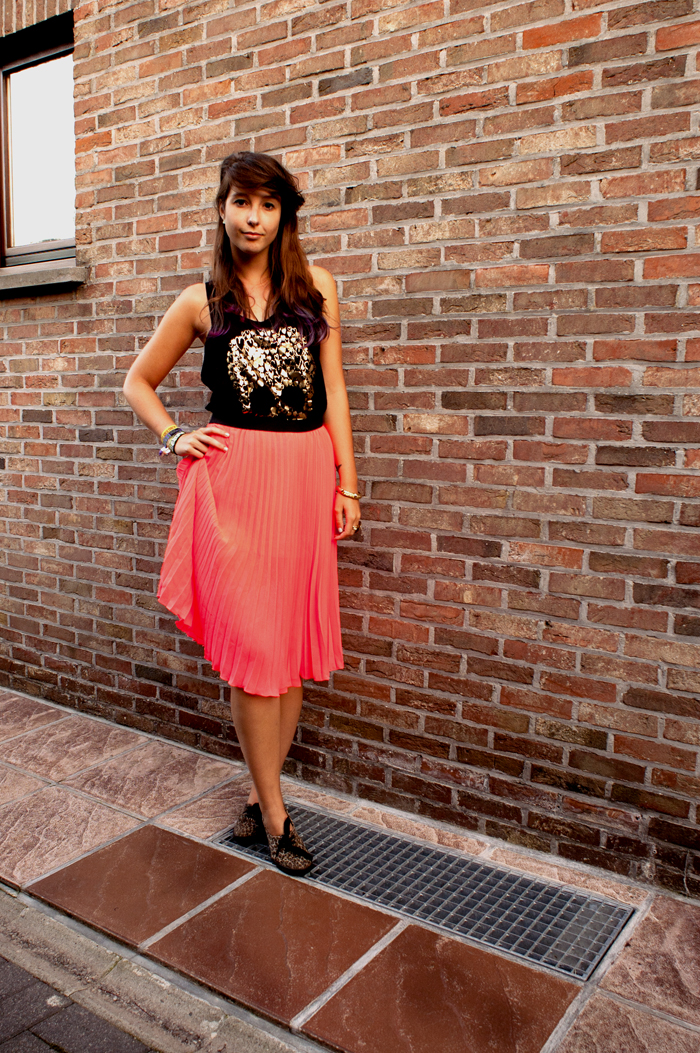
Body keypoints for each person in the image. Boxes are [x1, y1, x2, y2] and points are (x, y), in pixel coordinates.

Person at [123, 151, 360, 876]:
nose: (253, 217)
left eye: (267, 204)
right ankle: (278, 815)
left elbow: (334, 390)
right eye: (241, 202)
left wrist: (348, 484)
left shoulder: (317, 287)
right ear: (222, 209)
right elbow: (138, 380)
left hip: (303, 477)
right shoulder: (200, 302)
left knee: (285, 650)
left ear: (284, 214)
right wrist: (173, 435)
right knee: (256, 651)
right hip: (233, 484)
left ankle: (260, 797)